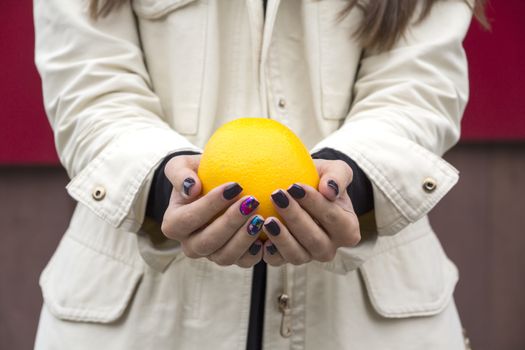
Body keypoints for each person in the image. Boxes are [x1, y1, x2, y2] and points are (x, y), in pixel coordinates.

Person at [33, 0, 487, 349]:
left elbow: (419, 85)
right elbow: (90, 85)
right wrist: (167, 185)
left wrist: (347, 182)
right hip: (137, 320)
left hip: (371, 321)